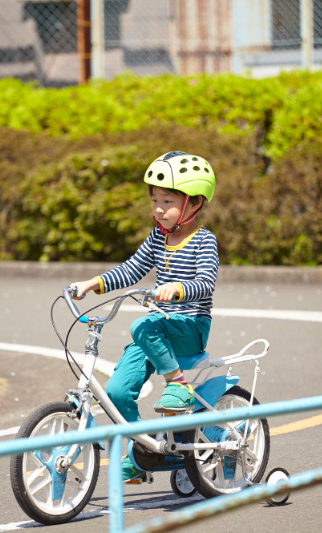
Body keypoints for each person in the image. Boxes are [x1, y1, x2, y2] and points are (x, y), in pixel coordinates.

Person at [69, 151, 218, 481]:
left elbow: (206, 282)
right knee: (118, 393)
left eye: (168, 200)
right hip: (156, 329)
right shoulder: (157, 238)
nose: (159, 209)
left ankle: (178, 384)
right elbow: (132, 269)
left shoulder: (204, 241)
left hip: (190, 326)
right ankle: (144, 452)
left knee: (141, 325)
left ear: (194, 203)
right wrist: (92, 284)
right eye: (155, 201)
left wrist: (177, 289)